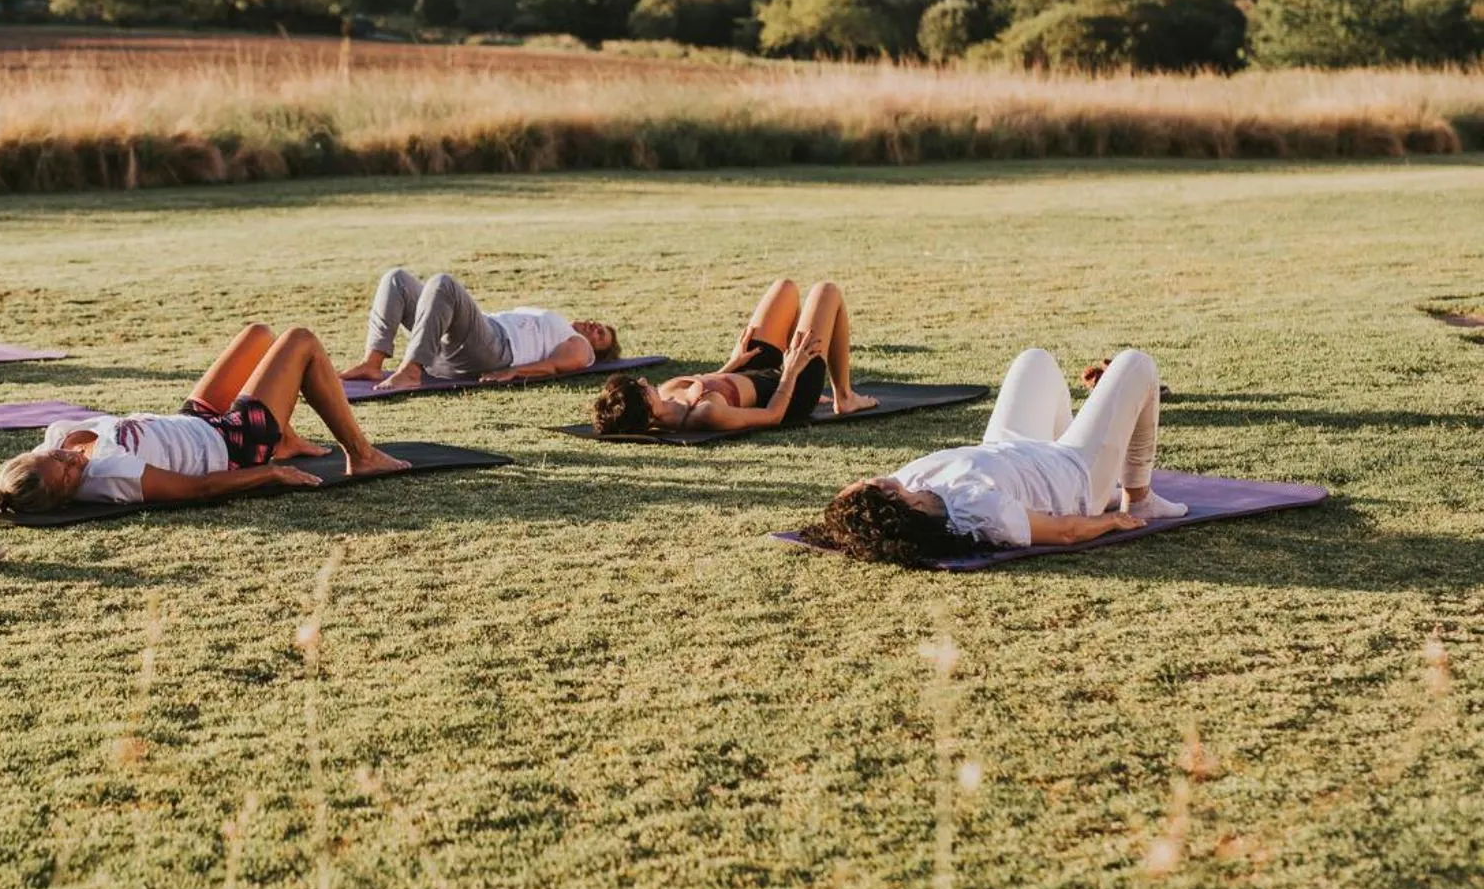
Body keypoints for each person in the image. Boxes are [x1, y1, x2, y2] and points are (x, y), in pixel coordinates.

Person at [0, 324, 409, 513]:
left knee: (258, 335)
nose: (73, 463)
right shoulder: (111, 477)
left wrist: (33, 473)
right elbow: (200, 489)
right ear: (67, 496)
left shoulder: (53, 445)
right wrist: (270, 473)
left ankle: (286, 437)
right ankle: (363, 454)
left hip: (192, 423)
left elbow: (30, 474)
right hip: (232, 444)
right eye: (69, 477)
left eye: (61, 459)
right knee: (300, 341)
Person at [815, 348, 1188, 565]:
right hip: (1075, 476)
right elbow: (1066, 532)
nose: (867, 480)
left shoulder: (906, 485)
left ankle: (1102, 448)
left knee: (1034, 360)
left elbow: (848, 508)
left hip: (1013, 447)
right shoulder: (977, 512)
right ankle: (1138, 498)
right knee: (1136, 363)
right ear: (899, 505)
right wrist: (1112, 522)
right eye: (872, 486)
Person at [590, 279, 874, 436]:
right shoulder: (705, 415)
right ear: (646, 410)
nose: (642, 379)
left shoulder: (665, 393)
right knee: (826, 291)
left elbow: (711, 383)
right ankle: (844, 396)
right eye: (640, 387)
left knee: (784, 287)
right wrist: (791, 371)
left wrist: (733, 363)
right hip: (791, 390)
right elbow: (772, 416)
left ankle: (804, 344)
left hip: (748, 372)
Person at [337, 267, 618, 392]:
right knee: (396, 279)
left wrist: (515, 371)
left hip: (496, 350)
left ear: (597, 349)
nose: (594, 327)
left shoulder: (579, 344)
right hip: (461, 345)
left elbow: (557, 366)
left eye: (600, 334)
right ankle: (373, 362)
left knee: (444, 283)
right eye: (596, 324)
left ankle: (411, 371)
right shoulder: (558, 324)